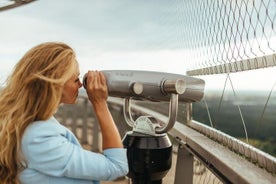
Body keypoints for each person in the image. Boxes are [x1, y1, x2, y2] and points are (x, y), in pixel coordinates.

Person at [0, 42, 129, 184]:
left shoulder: (31, 124)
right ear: (55, 85)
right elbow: (116, 165)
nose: (81, 85)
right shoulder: (39, 138)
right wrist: (100, 104)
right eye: (75, 79)